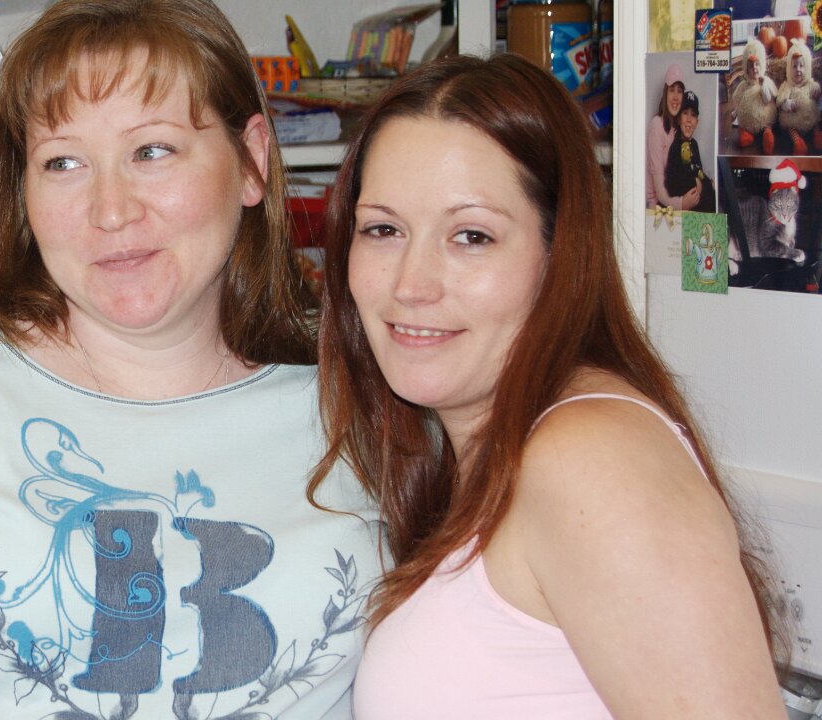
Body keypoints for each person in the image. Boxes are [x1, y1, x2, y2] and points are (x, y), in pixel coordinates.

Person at [0, 1, 381, 718]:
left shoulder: (363, 406)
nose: (111, 210)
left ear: (250, 161)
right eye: (64, 162)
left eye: (153, 151)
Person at [309, 54, 784, 717]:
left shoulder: (589, 459)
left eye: (471, 236)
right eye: (383, 230)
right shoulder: (495, 449)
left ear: (559, 256)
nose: (411, 284)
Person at [647, 62, 703, 210]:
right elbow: (659, 190)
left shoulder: (679, 130)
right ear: (665, 93)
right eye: (672, 90)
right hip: (658, 206)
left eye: (680, 91)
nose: (676, 97)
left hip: (676, 200)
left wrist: (700, 182)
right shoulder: (656, 125)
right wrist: (682, 203)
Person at [665, 90, 717, 213]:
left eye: (693, 115)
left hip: (699, 198)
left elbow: (698, 171)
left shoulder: (694, 144)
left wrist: (707, 182)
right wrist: (695, 182)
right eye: (685, 113)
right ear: (678, 119)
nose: (689, 119)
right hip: (685, 204)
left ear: (697, 122)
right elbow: (672, 182)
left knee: (715, 193)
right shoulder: (675, 146)